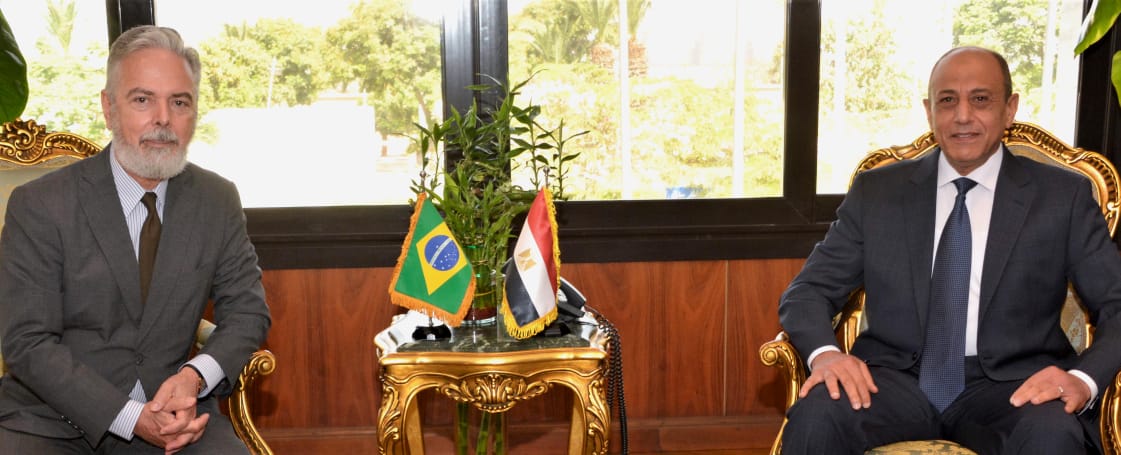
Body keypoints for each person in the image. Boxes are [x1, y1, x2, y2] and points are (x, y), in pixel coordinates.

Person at [778, 46, 1121, 454]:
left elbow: (1117, 304)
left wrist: (1082, 380)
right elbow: (807, 292)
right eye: (947, 100)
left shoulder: (1061, 196)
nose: (962, 115)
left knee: (1053, 434)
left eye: (981, 99)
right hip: (891, 381)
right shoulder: (878, 192)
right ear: (929, 111)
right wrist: (826, 355)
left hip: (1014, 387)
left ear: (1009, 109)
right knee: (817, 415)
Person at [0, 25, 271, 454]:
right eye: (143, 100)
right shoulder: (41, 204)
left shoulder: (216, 199)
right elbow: (28, 342)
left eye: (179, 102)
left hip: (175, 415)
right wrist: (129, 417)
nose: (163, 119)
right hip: (52, 422)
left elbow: (248, 312)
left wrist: (193, 377)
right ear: (109, 108)